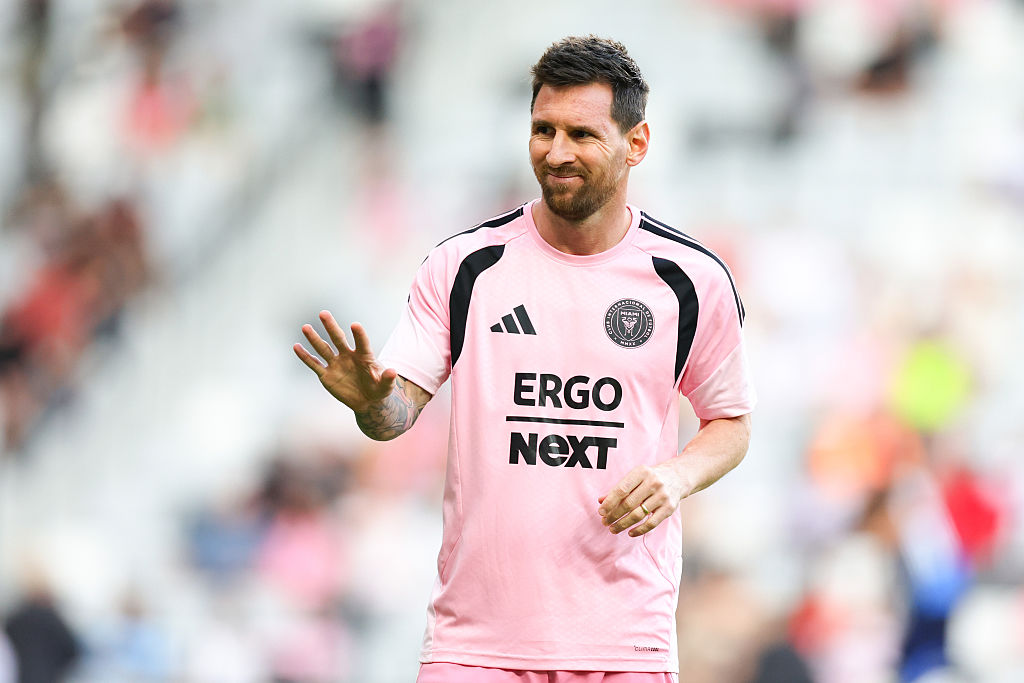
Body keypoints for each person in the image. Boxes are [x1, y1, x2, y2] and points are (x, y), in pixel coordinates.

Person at [294, 35, 755, 683]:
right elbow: (394, 415)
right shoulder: (464, 268)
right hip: (474, 643)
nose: (557, 152)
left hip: (621, 643)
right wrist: (372, 402)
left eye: (582, 134)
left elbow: (731, 423)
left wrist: (675, 477)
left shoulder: (690, 279)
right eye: (543, 129)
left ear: (637, 143)